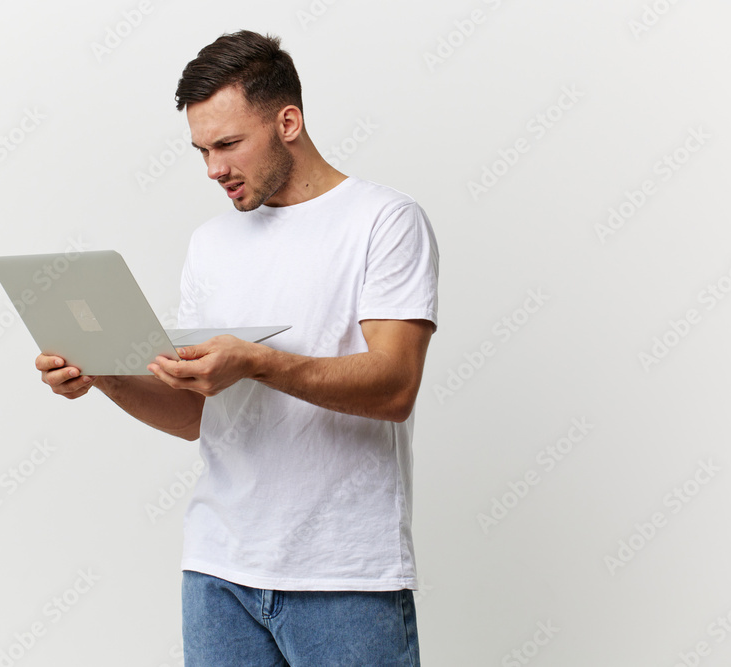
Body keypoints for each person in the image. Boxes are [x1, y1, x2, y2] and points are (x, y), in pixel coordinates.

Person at [36, 30, 438, 666]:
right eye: (201, 150)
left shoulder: (384, 220)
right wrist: (106, 375)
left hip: (342, 575)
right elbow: (197, 415)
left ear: (288, 121)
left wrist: (258, 362)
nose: (213, 168)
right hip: (217, 571)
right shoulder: (211, 243)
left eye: (227, 144)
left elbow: (394, 386)